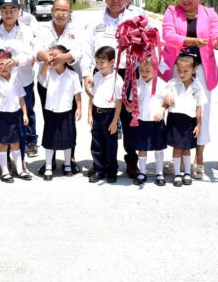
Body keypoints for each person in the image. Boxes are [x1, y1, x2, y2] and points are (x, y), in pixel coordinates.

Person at [161, 0, 218, 179]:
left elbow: (215, 37)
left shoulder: (210, 13)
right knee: (175, 111)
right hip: (176, 67)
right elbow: (168, 35)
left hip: (202, 68)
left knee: (200, 112)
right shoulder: (171, 12)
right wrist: (192, 41)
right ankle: (175, 157)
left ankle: (199, 158)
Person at [83, 0, 145, 178]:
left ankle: (131, 161)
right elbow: (86, 50)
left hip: (128, 74)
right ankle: (101, 163)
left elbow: (147, 46)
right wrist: (86, 74)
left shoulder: (137, 20)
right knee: (101, 122)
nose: (115, 0)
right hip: (102, 74)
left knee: (129, 120)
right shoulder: (96, 23)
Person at [0, 0, 36, 162]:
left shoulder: (26, 31)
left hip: (22, 81)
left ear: (19, 11)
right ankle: (6, 161)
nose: (8, 13)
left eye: (12, 9)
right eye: (4, 10)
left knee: (22, 120)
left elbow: (32, 55)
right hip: (1, 84)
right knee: (4, 119)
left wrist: (15, 62)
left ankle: (20, 159)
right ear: (0, 11)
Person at [34, 0, 84, 174]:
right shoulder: (42, 29)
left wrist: (64, 57)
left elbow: (80, 51)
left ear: (71, 12)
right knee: (50, 119)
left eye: (65, 10)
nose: (61, 13)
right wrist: (45, 57)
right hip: (47, 80)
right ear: (52, 11)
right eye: (57, 9)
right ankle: (50, 159)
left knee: (69, 121)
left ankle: (70, 159)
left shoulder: (76, 30)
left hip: (69, 80)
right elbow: (37, 49)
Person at [5, 0, 41, 157]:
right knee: (6, 109)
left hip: (24, 74)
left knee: (28, 108)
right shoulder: (0, 20)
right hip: (4, 78)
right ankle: (8, 139)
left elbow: (34, 47)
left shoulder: (29, 21)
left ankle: (31, 140)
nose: (10, 4)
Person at [37, 44, 81, 181]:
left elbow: (77, 94)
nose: (53, 58)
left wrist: (79, 108)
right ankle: (49, 166)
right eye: (51, 55)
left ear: (64, 57)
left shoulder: (73, 75)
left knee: (68, 140)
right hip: (51, 111)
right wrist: (45, 61)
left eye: (56, 55)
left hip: (67, 111)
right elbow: (41, 77)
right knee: (50, 140)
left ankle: (67, 164)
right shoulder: (48, 72)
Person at [162, 54, 206, 187]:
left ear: (193, 70)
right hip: (175, 119)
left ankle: (187, 172)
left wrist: (198, 124)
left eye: (185, 71)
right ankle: (177, 174)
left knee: (187, 148)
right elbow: (165, 95)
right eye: (179, 71)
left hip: (189, 121)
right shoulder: (172, 84)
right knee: (177, 148)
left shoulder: (197, 86)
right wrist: (167, 97)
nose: (181, 74)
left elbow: (199, 106)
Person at [0, 51, 30, 183]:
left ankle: (19, 170)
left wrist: (25, 113)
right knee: (4, 144)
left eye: (6, 64)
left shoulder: (16, 79)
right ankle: (5, 171)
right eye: (0, 64)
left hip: (16, 115)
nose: (4, 67)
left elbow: (21, 98)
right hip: (2, 116)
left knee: (16, 143)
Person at [127, 57, 167, 186]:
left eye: (147, 70)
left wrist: (162, 110)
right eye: (141, 70)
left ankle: (159, 172)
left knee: (159, 148)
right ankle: (142, 172)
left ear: (155, 70)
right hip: (141, 121)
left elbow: (168, 101)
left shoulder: (161, 84)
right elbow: (131, 102)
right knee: (141, 147)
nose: (144, 73)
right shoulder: (136, 83)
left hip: (156, 122)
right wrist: (130, 107)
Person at [87, 46, 123, 183]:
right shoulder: (96, 75)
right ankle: (99, 169)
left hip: (109, 115)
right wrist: (90, 114)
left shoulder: (117, 80)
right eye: (97, 62)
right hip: (97, 114)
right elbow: (92, 96)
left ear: (112, 62)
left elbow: (119, 103)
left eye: (102, 62)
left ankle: (112, 170)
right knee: (96, 144)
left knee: (110, 145)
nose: (99, 65)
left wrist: (115, 122)